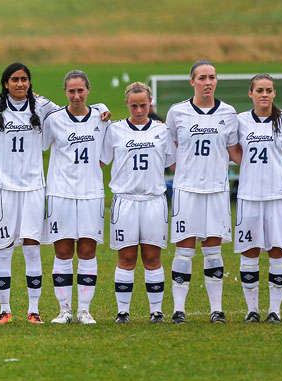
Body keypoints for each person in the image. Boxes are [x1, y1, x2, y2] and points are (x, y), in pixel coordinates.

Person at [0, 62, 57, 325]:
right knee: (5, 248)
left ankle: (34, 310)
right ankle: (4, 310)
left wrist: (100, 111)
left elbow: (72, 113)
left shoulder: (42, 106)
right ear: (5, 83)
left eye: (24, 79)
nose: (20, 84)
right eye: (14, 79)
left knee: (32, 247)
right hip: (3, 187)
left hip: (33, 186)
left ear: (30, 82)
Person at [165, 60, 239, 324]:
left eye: (212, 77)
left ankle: (216, 309)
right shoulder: (177, 112)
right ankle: (178, 310)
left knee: (213, 250)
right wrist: (185, 171)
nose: (208, 82)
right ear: (192, 82)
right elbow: (170, 149)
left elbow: (234, 152)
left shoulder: (229, 113)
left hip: (217, 190)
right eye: (202, 77)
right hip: (187, 190)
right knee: (184, 250)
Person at [229, 74, 282, 323]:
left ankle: (275, 310)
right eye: (259, 90)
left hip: (278, 196)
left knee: (278, 250)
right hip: (249, 197)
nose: (264, 94)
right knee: (249, 252)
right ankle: (252, 310)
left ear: (274, 94)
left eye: (269, 90)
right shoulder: (240, 121)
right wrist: (249, 166)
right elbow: (234, 150)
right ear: (250, 93)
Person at [101, 82, 175, 323]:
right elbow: (99, 161)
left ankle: (156, 311)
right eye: (134, 106)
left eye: (143, 105)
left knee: (153, 258)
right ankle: (123, 311)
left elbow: (174, 164)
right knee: (127, 258)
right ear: (127, 104)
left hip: (154, 201)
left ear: (150, 103)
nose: (140, 110)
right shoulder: (114, 130)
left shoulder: (162, 131)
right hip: (125, 201)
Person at [41, 70, 110, 325]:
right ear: (65, 92)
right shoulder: (54, 119)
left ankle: (84, 310)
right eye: (72, 91)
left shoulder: (101, 119)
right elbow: (38, 145)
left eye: (81, 90)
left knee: (87, 251)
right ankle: (64, 310)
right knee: (62, 251)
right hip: (60, 193)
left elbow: (104, 157)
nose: (77, 95)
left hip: (91, 194)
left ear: (88, 90)